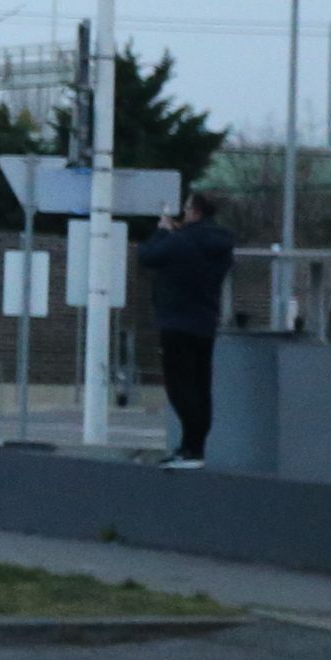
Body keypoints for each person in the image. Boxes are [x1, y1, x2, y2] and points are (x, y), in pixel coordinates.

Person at [135, 190, 240, 469]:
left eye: (185, 209)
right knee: (200, 386)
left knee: (179, 387)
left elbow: (146, 256)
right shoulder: (221, 246)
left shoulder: (180, 241)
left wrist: (163, 231)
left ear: (195, 212)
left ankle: (188, 449)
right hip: (204, 323)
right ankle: (197, 447)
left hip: (176, 322)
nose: (183, 213)